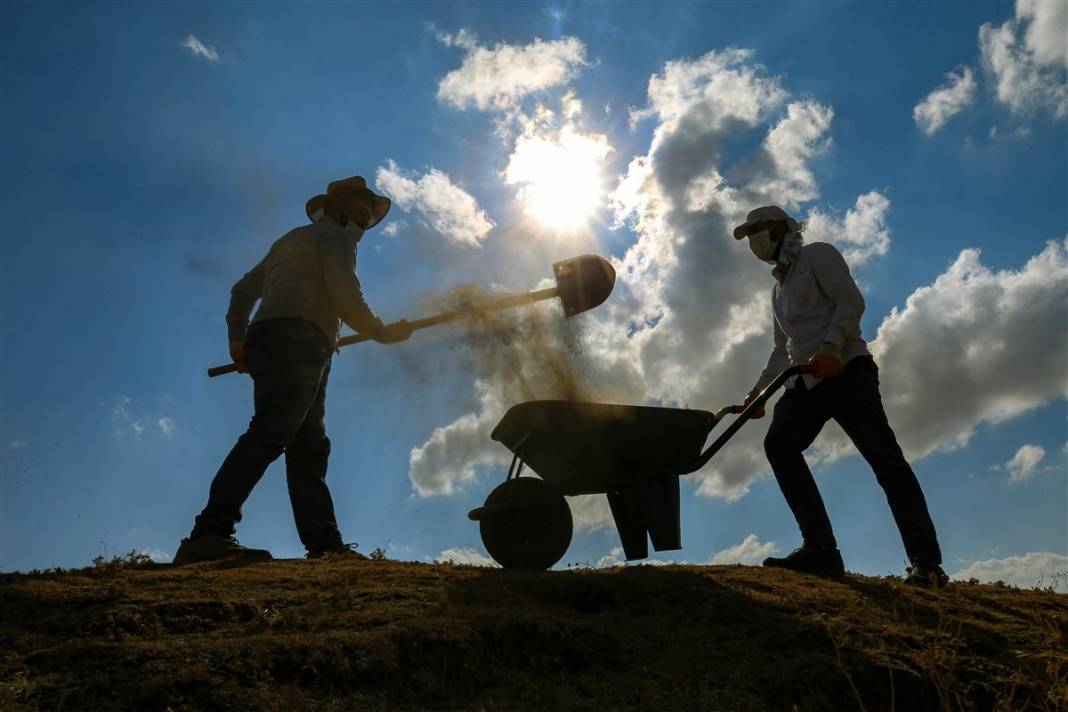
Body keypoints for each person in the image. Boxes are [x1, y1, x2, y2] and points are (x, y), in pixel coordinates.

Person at [174, 176, 411, 565]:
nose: (364, 220)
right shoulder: (336, 239)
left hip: (290, 341)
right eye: (358, 209)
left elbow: (242, 291)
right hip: (297, 339)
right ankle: (209, 533)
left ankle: (324, 544)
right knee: (272, 432)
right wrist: (381, 332)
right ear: (336, 208)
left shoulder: (289, 240)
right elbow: (346, 296)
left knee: (308, 446)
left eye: (368, 215)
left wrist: (238, 341)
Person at [735, 205, 947, 587]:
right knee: (780, 445)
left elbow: (851, 301)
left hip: (846, 370)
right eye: (748, 235)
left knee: (886, 462)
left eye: (758, 230)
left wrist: (832, 348)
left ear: (783, 227)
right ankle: (821, 550)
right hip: (806, 380)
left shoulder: (818, 254)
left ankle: (927, 563)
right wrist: (760, 393)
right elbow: (781, 349)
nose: (753, 240)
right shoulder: (778, 289)